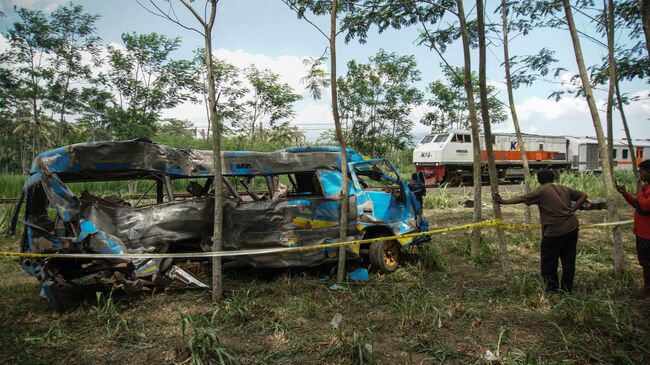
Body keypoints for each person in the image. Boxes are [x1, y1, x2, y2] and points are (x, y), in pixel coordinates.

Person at [493, 169, 588, 293]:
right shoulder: (563, 188)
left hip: (554, 231)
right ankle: (566, 290)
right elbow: (583, 195)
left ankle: (551, 290)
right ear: (553, 178)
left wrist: (503, 201)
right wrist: (573, 209)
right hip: (572, 227)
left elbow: (522, 198)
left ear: (539, 180)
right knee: (568, 261)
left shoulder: (541, 191)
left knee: (548, 262)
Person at [616, 159, 650, 298]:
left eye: (641, 172)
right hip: (642, 232)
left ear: (649, 172)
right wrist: (625, 194)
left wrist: (639, 190)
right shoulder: (646, 188)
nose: (639, 175)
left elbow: (645, 206)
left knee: (647, 263)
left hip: (648, 234)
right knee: (644, 262)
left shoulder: (645, 188)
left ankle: (647, 290)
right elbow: (638, 204)